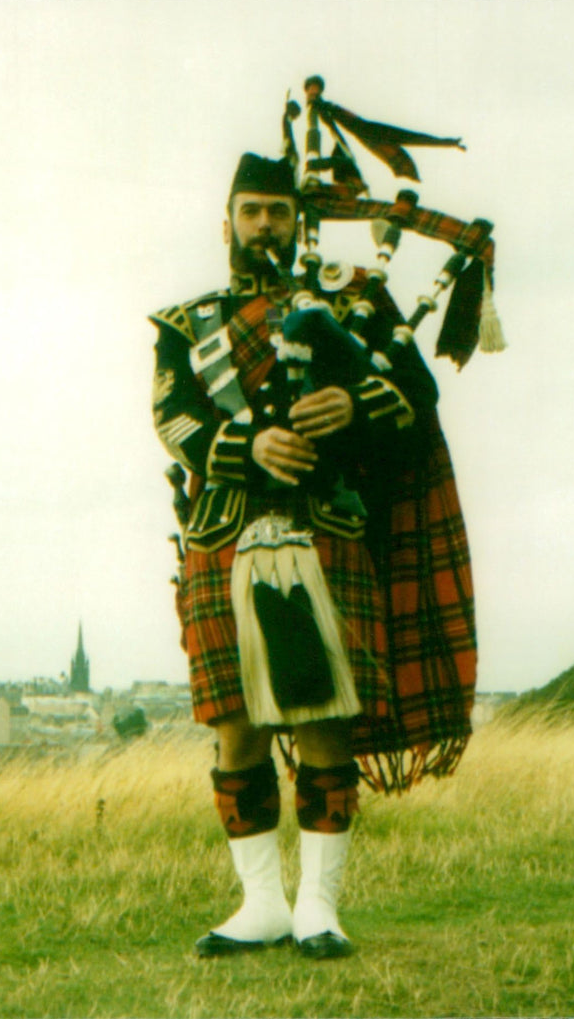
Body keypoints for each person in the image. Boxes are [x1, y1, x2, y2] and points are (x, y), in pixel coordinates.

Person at [150, 153, 476, 959]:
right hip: (224, 531)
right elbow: (173, 419)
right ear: (227, 223)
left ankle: (318, 907)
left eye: (278, 211)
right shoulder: (187, 325)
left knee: (327, 717)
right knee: (235, 724)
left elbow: (416, 396)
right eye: (251, 211)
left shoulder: (352, 302)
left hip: (326, 526)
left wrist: (353, 404)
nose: (264, 224)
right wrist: (248, 446)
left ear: (299, 222)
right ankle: (261, 903)